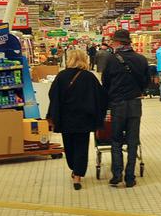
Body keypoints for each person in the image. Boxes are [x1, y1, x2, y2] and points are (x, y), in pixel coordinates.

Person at [47, 50, 108, 190]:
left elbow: (52, 95)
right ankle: (78, 175)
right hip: (84, 119)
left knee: (69, 145)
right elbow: (102, 95)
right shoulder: (89, 77)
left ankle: (73, 168)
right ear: (84, 60)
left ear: (70, 60)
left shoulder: (61, 76)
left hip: (66, 118)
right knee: (81, 145)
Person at [101, 28, 150, 188]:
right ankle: (130, 177)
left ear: (118, 42)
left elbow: (105, 81)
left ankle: (117, 175)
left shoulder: (111, 59)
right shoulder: (141, 59)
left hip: (118, 104)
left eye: (113, 41)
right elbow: (146, 82)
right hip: (135, 103)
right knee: (132, 141)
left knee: (116, 140)